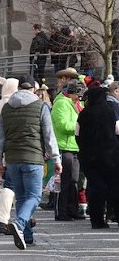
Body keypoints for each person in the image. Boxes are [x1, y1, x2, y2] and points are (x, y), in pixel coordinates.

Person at [0, 75, 61, 249]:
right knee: (34, 196)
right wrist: (56, 158)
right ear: (33, 89)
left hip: (12, 160)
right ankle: (20, 223)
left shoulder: (6, 108)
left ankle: (27, 235)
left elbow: (0, 137)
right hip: (33, 158)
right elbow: (48, 135)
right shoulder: (41, 106)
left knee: (22, 197)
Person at [76, 85, 119, 229]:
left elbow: (77, 134)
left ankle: (97, 220)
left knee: (95, 188)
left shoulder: (84, 113)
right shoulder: (110, 112)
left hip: (89, 157)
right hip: (110, 156)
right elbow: (117, 130)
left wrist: (84, 147)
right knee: (114, 186)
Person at [0, 77, 20, 233]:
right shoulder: (12, 105)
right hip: (12, 150)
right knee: (11, 185)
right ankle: (1, 220)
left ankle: (24, 216)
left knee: (13, 184)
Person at [51, 79, 84, 221]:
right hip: (64, 146)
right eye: (79, 95)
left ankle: (72, 209)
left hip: (74, 146)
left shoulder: (76, 104)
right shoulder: (61, 103)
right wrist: (79, 126)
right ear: (72, 93)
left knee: (74, 180)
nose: (80, 98)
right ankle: (61, 211)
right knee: (64, 181)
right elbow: (63, 125)